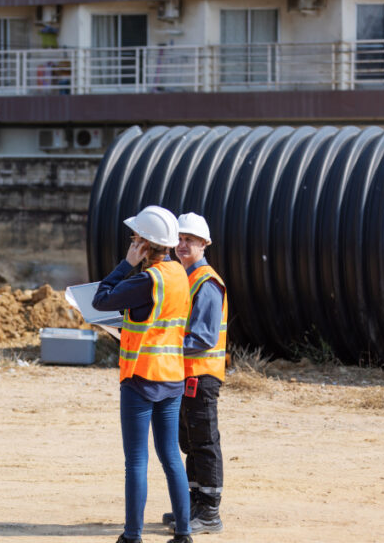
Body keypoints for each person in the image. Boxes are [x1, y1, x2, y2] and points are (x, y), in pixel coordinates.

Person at [92, 205, 193, 543]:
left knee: (136, 460)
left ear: (147, 244)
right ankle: (184, 532)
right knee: (171, 458)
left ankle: (133, 535)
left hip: (141, 378)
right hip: (172, 377)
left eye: (136, 237)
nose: (132, 241)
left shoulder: (145, 280)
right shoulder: (179, 274)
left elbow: (100, 299)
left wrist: (126, 264)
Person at [161, 212, 227, 534]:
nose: (183, 245)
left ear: (204, 244)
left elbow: (202, 337)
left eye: (190, 240)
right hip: (184, 373)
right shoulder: (184, 278)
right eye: (180, 239)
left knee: (204, 441)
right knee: (188, 441)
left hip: (202, 375)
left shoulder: (206, 282)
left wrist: (164, 344)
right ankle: (194, 504)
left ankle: (210, 513)